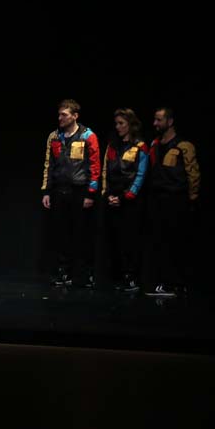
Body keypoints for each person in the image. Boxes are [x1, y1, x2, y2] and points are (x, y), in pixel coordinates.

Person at [41, 98, 101, 287]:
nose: (60, 118)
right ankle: (64, 272)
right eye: (59, 114)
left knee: (82, 234)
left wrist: (91, 193)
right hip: (60, 190)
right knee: (61, 234)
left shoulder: (87, 135)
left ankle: (87, 274)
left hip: (80, 190)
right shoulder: (54, 137)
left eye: (64, 114)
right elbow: (49, 165)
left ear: (75, 116)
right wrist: (47, 191)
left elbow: (95, 165)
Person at [144, 106, 201, 298]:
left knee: (175, 243)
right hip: (157, 199)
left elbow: (193, 175)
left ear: (170, 122)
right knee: (159, 242)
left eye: (159, 119)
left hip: (176, 200)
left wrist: (192, 199)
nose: (155, 123)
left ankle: (177, 284)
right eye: (155, 119)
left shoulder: (184, 146)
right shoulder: (155, 144)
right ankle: (163, 282)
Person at [101, 108, 149, 293]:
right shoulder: (113, 146)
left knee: (130, 240)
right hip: (113, 198)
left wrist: (126, 196)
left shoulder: (140, 146)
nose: (118, 127)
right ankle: (118, 276)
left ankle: (131, 278)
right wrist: (107, 194)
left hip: (130, 201)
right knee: (115, 240)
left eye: (121, 123)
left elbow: (141, 174)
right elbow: (106, 170)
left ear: (130, 124)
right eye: (116, 123)